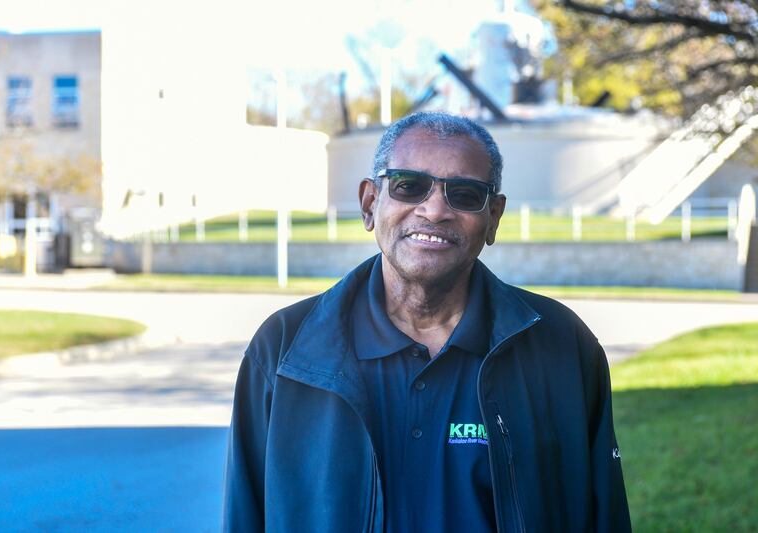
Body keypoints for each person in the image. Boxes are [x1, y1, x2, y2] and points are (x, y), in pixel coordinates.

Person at [224, 111, 631, 532]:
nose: (434, 210)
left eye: (465, 194)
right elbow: (245, 515)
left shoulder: (562, 345)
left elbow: (605, 516)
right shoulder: (284, 349)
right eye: (408, 185)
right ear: (369, 204)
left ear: (493, 217)